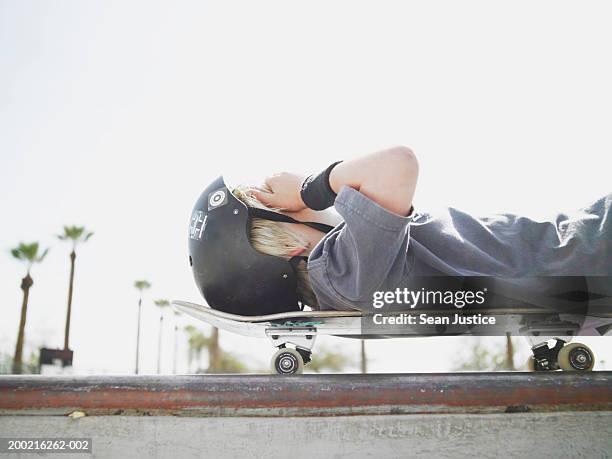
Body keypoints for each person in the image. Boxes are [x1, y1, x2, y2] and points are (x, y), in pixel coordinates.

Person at [189, 146, 612, 314]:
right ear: (289, 239)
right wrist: (307, 190)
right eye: (284, 208)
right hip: (588, 249)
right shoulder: (342, 271)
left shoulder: (349, 273)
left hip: (583, 245)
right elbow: (398, 164)